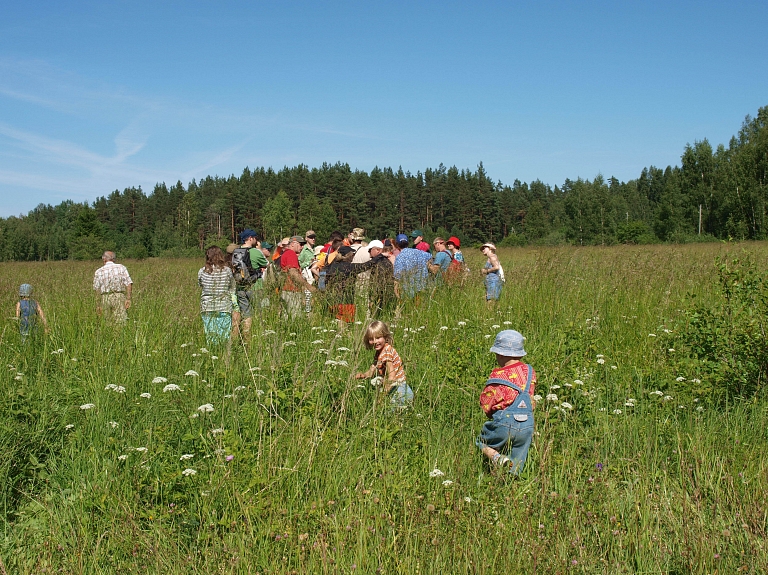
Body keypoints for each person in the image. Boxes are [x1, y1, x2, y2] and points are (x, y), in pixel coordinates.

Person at [476, 330, 537, 475]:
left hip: (505, 422)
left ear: (500, 354)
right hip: (527, 423)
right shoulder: (529, 371)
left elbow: (487, 403)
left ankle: (497, 458)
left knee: (482, 442)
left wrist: (490, 412)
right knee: (518, 459)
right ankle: (512, 481)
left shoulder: (498, 375)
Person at [355, 321, 414, 410]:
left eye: (378, 338)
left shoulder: (387, 351)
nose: (375, 341)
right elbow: (372, 370)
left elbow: (392, 377)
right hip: (395, 389)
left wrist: (382, 396)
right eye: (371, 339)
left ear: (385, 337)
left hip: (400, 390)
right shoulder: (379, 353)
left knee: (391, 416)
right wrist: (363, 375)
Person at [233, 229, 270, 339]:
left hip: (240, 287)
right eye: (255, 238)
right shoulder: (255, 251)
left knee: (247, 315)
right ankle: (260, 338)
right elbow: (266, 263)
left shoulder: (236, 252)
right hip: (255, 286)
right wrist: (258, 249)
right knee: (260, 314)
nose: (257, 240)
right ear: (250, 238)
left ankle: (246, 339)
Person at [198, 246, 237, 346]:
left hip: (207, 306)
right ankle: (223, 354)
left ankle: (213, 353)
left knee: (210, 335)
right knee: (224, 335)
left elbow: (200, 285)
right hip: (224, 306)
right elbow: (232, 287)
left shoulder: (202, 271)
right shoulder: (227, 271)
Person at [280, 235, 317, 318]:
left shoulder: (285, 253)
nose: (302, 247)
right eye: (301, 244)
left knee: (286, 318)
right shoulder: (291, 254)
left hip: (286, 290)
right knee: (295, 317)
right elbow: (293, 273)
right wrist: (308, 286)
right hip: (292, 290)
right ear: (293, 244)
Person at [93, 251, 133, 324]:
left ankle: (109, 335)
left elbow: (96, 289)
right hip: (119, 296)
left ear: (104, 259)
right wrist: (128, 298)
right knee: (121, 321)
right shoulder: (121, 267)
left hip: (105, 297)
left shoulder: (99, 271)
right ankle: (119, 334)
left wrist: (98, 305)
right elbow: (129, 283)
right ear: (114, 259)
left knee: (107, 322)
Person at [393, 233, 432, 301]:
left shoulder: (399, 257)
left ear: (397, 245)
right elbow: (430, 256)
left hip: (409, 293)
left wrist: (396, 293)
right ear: (407, 243)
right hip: (422, 288)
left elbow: (397, 278)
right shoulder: (418, 252)